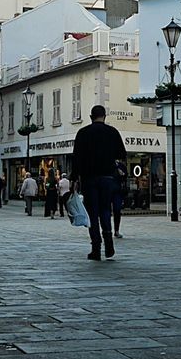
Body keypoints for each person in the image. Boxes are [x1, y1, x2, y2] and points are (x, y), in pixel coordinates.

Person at [70, 105, 127, 261]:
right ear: (104, 116)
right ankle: (109, 243)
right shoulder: (112, 132)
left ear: (90, 116)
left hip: (89, 178)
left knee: (92, 213)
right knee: (105, 210)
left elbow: (76, 158)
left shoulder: (83, 133)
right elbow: (122, 154)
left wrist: (74, 178)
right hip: (108, 178)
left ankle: (96, 248)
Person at [112, 160, 127, 237]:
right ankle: (107, 230)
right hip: (107, 190)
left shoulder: (120, 165)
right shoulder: (105, 163)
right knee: (105, 211)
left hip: (117, 191)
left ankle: (116, 230)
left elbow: (125, 176)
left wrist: (122, 173)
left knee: (117, 210)